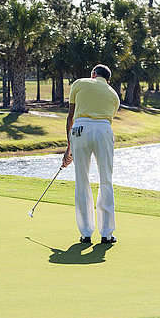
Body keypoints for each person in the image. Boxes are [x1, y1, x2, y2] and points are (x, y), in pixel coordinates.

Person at [61, 64, 120, 244]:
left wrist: (68, 148)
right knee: (106, 180)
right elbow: (107, 119)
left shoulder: (79, 83)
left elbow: (70, 117)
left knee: (82, 179)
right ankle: (107, 233)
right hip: (104, 130)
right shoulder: (114, 95)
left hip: (80, 129)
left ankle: (86, 233)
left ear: (93, 74)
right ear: (107, 80)